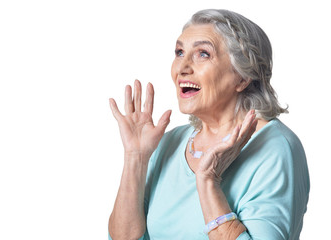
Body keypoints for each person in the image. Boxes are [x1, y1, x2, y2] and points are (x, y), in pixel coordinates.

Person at [108, 9, 310, 240]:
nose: (182, 67)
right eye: (179, 52)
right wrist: (136, 158)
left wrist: (208, 181)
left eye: (203, 54)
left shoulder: (275, 147)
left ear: (242, 77)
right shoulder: (170, 143)